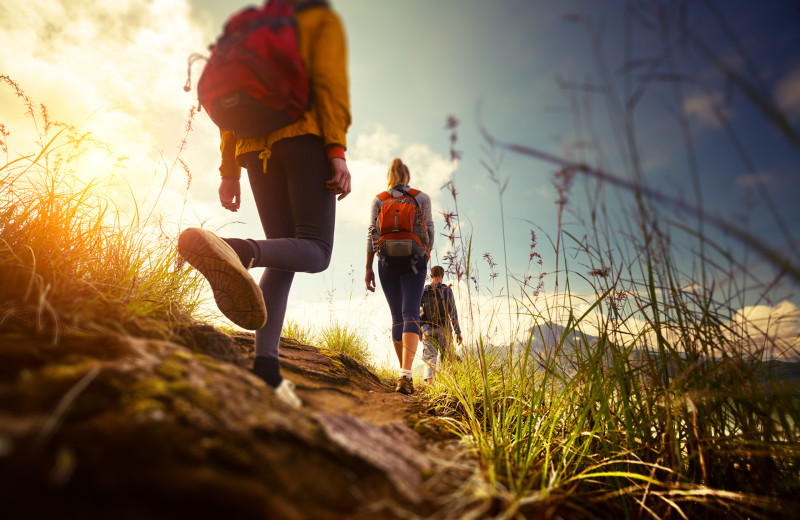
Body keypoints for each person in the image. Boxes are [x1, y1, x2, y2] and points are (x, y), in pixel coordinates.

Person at [178, 0, 350, 409]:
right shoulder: (317, 18)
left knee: (285, 254)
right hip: (303, 139)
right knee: (316, 250)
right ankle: (238, 251)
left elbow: (230, 108)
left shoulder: (249, 23)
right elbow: (329, 83)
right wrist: (337, 151)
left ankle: (266, 371)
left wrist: (229, 171)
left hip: (253, 150)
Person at [365, 158, 433, 395]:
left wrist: (368, 268)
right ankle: (406, 373)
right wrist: (425, 257)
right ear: (408, 176)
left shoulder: (379, 200)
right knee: (411, 313)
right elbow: (429, 230)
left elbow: (371, 234)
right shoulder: (421, 197)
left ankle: (403, 373)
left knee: (397, 317)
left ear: (389, 176)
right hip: (415, 261)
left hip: (386, 262)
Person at [420, 265, 463, 385]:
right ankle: (446, 385)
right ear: (442, 276)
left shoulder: (424, 290)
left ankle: (430, 385)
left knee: (430, 357)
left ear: (431, 275)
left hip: (427, 329)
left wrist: (420, 331)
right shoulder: (447, 290)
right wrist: (457, 331)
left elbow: (419, 311)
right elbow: (453, 312)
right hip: (444, 328)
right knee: (446, 356)